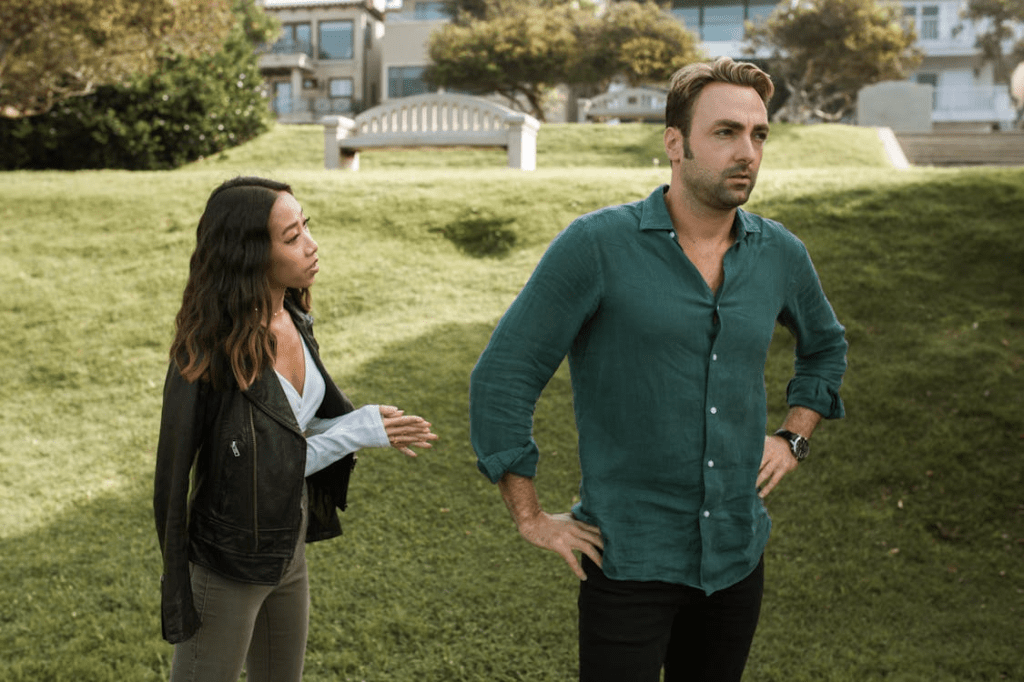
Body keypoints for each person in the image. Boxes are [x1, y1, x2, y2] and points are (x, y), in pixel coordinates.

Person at [469, 57, 847, 682]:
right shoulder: (596, 246)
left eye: (758, 135)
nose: (747, 152)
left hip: (735, 558)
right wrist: (530, 517)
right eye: (725, 132)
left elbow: (826, 346)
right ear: (675, 143)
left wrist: (793, 436)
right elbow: (503, 376)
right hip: (627, 561)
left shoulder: (780, 252)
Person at [154, 176, 438, 682]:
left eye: (306, 225)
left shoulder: (293, 318)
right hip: (230, 563)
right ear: (248, 255)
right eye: (291, 237)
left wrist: (363, 419)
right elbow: (260, 465)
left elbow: (297, 426)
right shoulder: (208, 354)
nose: (310, 244)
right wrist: (361, 430)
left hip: (288, 542)